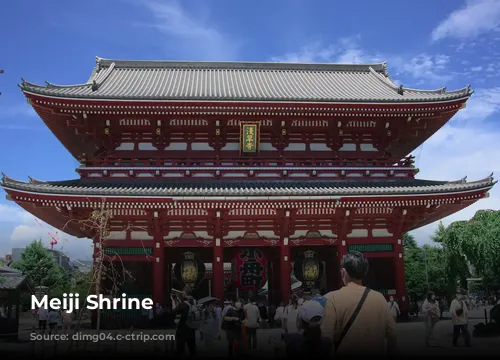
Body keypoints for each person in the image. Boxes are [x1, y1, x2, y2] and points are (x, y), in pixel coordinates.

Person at [321, 251, 397, 356]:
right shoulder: (379, 298)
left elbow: (326, 338)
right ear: (364, 272)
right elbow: (392, 334)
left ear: (343, 272)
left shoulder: (332, 298)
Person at [172, 290, 197, 356]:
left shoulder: (183, 304)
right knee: (192, 348)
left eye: (182, 293)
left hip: (183, 328)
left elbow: (174, 312)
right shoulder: (194, 303)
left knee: (180, 349)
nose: (181, 294)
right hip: (191, 328)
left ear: (186, 295)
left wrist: (174, 301)